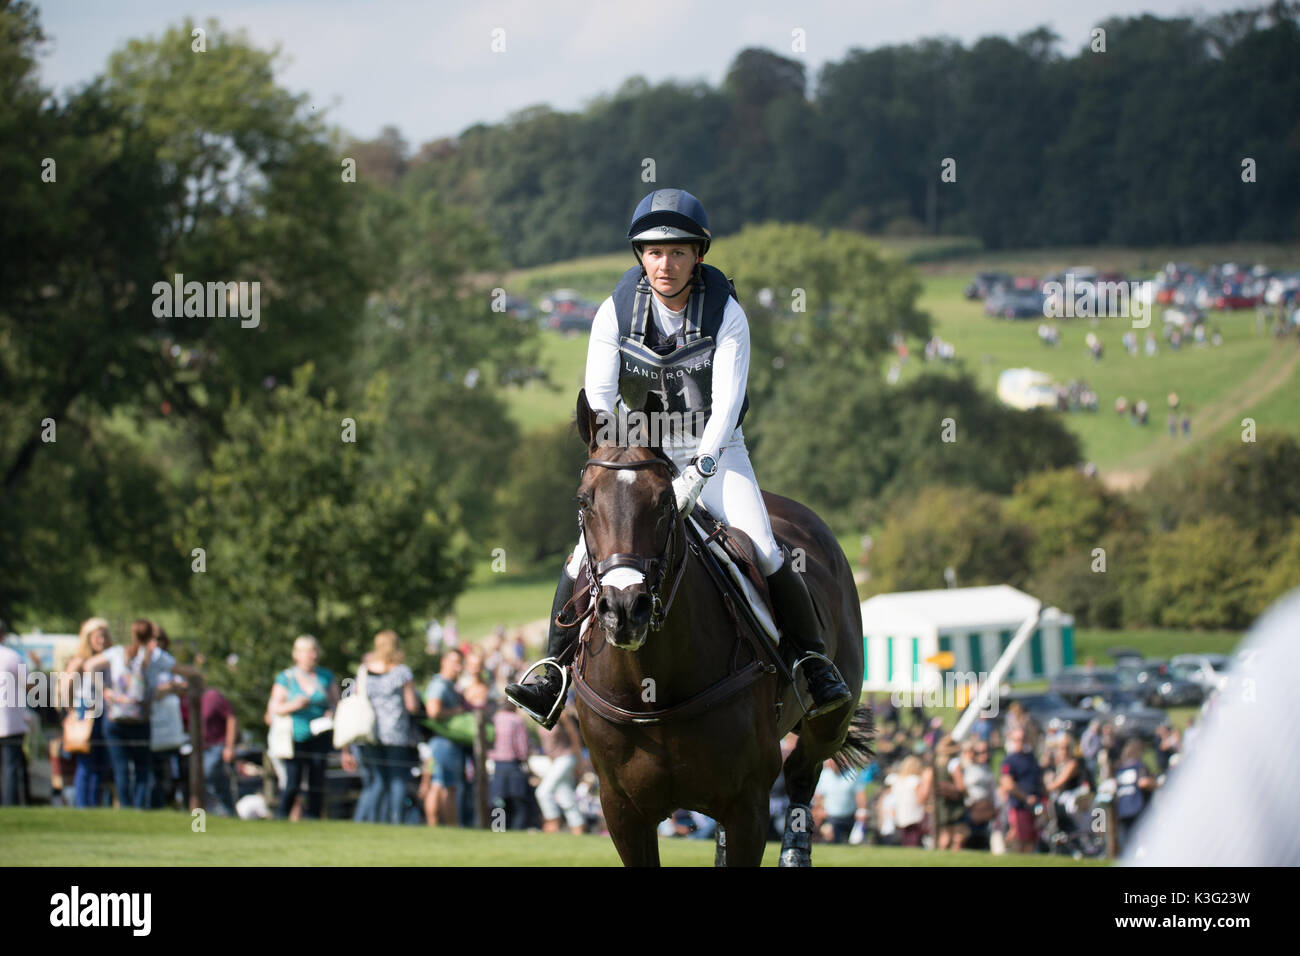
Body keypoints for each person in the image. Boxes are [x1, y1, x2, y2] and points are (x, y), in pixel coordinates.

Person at [507, 188, 851, 728]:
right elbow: (599, 399)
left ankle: (810, 663)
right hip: (642, 449)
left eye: (677, 252)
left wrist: (699, 474)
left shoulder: (726, 314)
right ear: (640, 257)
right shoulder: (613, 311)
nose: (664, 264)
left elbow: (728, 405)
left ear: (698, 256)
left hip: (714, 450)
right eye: (653, 252)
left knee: (762, 547)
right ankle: (552, 667)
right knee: (582, 557)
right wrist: (630, 451)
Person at [83, 619, 177, 808]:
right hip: (140, 719)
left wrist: (105, 691)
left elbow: (89, 666)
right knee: (142, 768)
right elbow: (181, 671)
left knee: (120, 768)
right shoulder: (154, 656)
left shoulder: (118, 653)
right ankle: (139, 808)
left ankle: (126, 807)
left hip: (116, 716)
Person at [354, 630, 420, 825]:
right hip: (395, 733)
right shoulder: (402, 672)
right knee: (397, 778)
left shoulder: (365, 670)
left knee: (378, 780)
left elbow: (358, 698)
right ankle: (396, 820)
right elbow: (411, 706)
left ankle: (365, 820)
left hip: (371, 732)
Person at [269, 635, 338, 820]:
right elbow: (275, 708)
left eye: (314, 651)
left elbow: (336, 703)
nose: (312, 655)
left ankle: (313, 818)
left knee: (317, 780)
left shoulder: (326, 676)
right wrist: (294, 705)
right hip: (295, 736)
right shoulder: (286, 678)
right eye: (308, 651)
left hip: (320, 735)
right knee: (293, 781)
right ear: (297, 654)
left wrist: (330, 713)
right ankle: (282, 816)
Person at [64, 618, 112, 807]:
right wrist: (72, 711)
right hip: (87, 711)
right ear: (88, 638)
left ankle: (96, 805)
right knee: (87, 763)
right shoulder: (80, 661)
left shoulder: (108, 659)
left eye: (105, 636)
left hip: (105, 711)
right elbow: (66, 686)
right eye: (98, 636)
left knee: (102, 763)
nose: (103, 640)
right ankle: (84, 806)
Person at [424, 648, 468, 826]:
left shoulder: (448, 685)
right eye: (454, 663)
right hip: (443, 743)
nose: (458, 668)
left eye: (460, 663)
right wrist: (456, 712)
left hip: (444, 743)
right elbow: (433, 711)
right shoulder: (440, 685)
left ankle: (439, 826)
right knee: (444, 786)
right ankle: (447, 826)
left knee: (441, 784)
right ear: (444, 662)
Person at [147, 626, 188, 809]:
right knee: (153, 771)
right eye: (153, 639)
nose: (156, 644)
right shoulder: (144, 662)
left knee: (171, 770)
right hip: (152, 725)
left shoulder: (169, 662)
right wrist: (169, 688)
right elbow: (149, 692)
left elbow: (185, 684)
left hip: (172, 725)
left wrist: (170, 687)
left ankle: (170, 802)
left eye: (160, 639)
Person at [535, 703, 586, 834]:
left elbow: (575, 737)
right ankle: (578, 827)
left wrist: (580, 763)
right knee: (565, 796)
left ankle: (552, 822)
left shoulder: (562, 715)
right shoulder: (538, 715)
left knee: (543, 792)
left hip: (566, 758)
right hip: (555, 761)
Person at [487, 700, 533, 830]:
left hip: (497, 764)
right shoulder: (516, 720)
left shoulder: (494, 719)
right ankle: (517, 829)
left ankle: (498, 828)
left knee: (498, 800)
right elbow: (522, 747)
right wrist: (526, 762)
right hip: (513, 764)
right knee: (517, 801)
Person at [999, 727, 1044, 854]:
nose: (1020, 741)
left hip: (1035, 806)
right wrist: (1026, 798)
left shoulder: (1031, 758)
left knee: (1031, 839)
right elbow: (1008, 783)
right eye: (1017, 739)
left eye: (1022, 739)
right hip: (1019, 805)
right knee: (1020, 838)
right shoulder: (1010, 760)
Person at [0, 628, 29, 805]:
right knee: (11, 769)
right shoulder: (11, 656)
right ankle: (10, 806)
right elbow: (30, 684)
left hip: (9, 722)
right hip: (9, 722)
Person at [1112, 738, 1156, 852]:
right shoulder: (1139, 766)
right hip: (1137, 806)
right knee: (1143, 838)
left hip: (1123, 808)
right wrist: (1158, 784)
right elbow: (1143, 782)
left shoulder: (1120, 768)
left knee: (1127, 840)